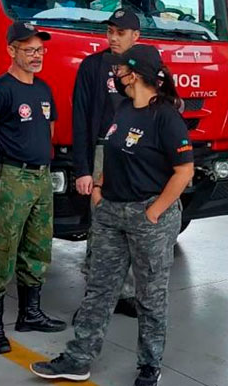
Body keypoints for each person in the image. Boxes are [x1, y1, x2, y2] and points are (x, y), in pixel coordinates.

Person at [30, 44, 193, 386]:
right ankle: (77, 359)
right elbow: (114, 154)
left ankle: (150, 366)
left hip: (148, 217)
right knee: (99, 291)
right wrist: (101, 190)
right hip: (110, 214)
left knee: (150, 297)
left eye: (120, 70)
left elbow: (184, 171)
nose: (115, 74)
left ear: (135, 74)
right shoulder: (122, 110)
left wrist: (153, 213)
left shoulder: (165, 116)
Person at [0, 21, 65, 354]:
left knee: (37, 249)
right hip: (12, 179)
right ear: (11, 50)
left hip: (41, 178)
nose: (37, 56)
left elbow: (48, 131)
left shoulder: (44, 89)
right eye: (29, 50)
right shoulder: (0, 89)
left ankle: (29, 314)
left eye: (40, 50)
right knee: (2, 251)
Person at [73, 8, 140, 318]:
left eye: (120, 32)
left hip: (136, 155)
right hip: (103, 153)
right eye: (110, 31)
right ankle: (94, 296)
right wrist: (83, 168)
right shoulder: (92, 67)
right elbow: (81, 118)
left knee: (130, 225)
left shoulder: (146, 67)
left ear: (135, 36)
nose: (113, 37)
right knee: (101, 226)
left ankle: (125, 293)